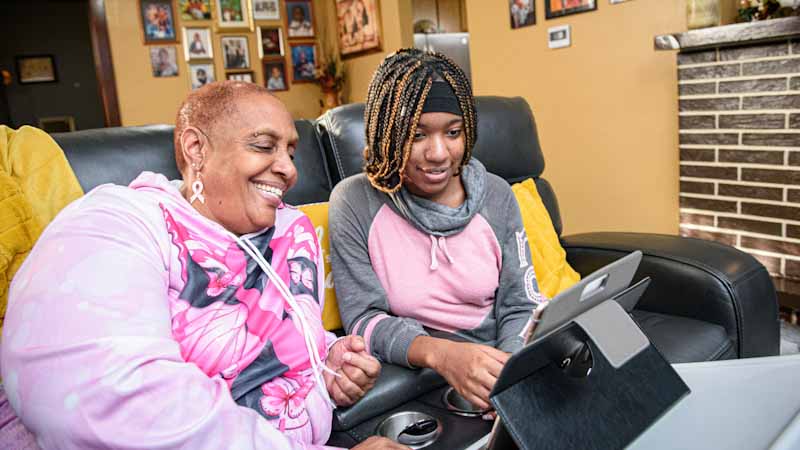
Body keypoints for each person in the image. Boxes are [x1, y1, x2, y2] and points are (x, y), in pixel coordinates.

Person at [1, 81, 404, 450]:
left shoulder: (291, 229)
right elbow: (100, 398)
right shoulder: (117, 223)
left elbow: (291, 338)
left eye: (292, 152)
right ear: (197, 149)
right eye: (264, 146)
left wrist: (329, 366)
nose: (290, 168)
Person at [329, 49, 545, 412]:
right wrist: (444, 355)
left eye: (454, 132)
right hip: (428, 377)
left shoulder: (496, 195)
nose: (439, 153)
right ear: (388, 135)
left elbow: (520, 304)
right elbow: (363, 319)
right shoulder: (355, 203)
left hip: (503, 365)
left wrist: (508, 378)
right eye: (417, 135)